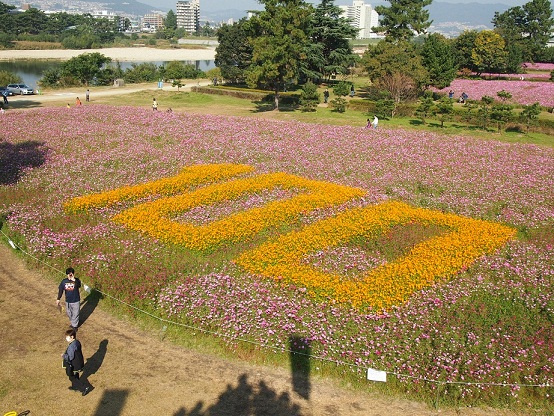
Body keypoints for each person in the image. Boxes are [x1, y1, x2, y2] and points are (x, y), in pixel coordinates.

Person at [62, 329, 91, 396]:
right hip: (79, 362)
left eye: (67, 337)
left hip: (74, 364)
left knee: (71, 376)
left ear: (72, 337)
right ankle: (75, 386)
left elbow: (70, 357)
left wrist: (64, 356)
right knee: (76, 374)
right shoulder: (77, 342)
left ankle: (84, 388)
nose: (66, 338)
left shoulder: (71, 346)